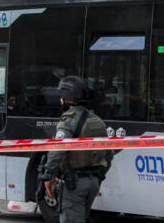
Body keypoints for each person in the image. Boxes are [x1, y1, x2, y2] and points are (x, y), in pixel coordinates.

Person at [41, 76, 112, 223]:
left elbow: (57, 151)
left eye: (61, 96)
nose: (60, 100)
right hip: (92, 182)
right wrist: (98, 178)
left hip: (74, 183)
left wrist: (48, 176)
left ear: (68, 98)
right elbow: (109, 154)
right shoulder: (97, 121)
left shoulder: (68, 120)